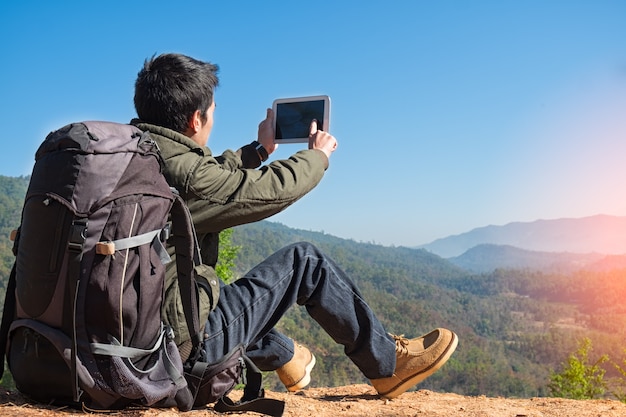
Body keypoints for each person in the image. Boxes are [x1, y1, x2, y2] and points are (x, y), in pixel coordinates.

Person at [131, 53, 458, 400]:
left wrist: (258, 150)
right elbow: (262, 191)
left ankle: (285, 356)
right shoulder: (187, 178)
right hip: (177, 353)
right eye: (212, 110)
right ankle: (389, 365)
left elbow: (207, 176)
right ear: (197, 119)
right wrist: (317, 156)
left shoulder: (136, 159)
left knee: (214, 295)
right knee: (305, 262)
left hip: (121, 347)